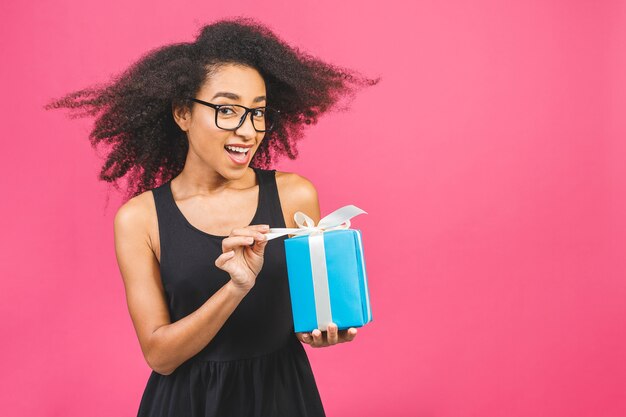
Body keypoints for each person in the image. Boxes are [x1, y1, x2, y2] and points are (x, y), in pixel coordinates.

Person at [46, 16, 379, 417]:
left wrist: (325, 330)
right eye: (227, 110)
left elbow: (305, 316)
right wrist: (234, 288)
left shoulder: (295, 195)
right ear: (183, 113)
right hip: (187, 403)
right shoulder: (140, 219)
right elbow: (160, 355)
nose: (248, 131)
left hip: (282, 396)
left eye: (257, 113)